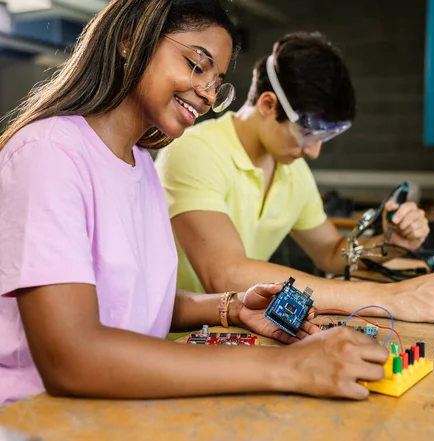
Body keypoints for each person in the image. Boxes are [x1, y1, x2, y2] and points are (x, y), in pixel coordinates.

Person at [0, 0, 391, 406]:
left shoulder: (142, 166)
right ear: (130, 39)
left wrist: (232, 307)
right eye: (197, 64)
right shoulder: (48, 154)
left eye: (216, 81)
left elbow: (133, 299)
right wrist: (290, 366)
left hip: (120, 410)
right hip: (37, 418)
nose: (206, 94)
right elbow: (73, 357)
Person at [154, 32, 434, 325]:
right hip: (175, 342)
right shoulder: (196, 150)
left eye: (325, 137)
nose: (315, 152)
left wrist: (387, 246)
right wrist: (388, 297)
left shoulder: (293, 171)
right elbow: (225, 274)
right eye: (307, 133)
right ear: (268, 104)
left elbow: (332, 252)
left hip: (238, 335)